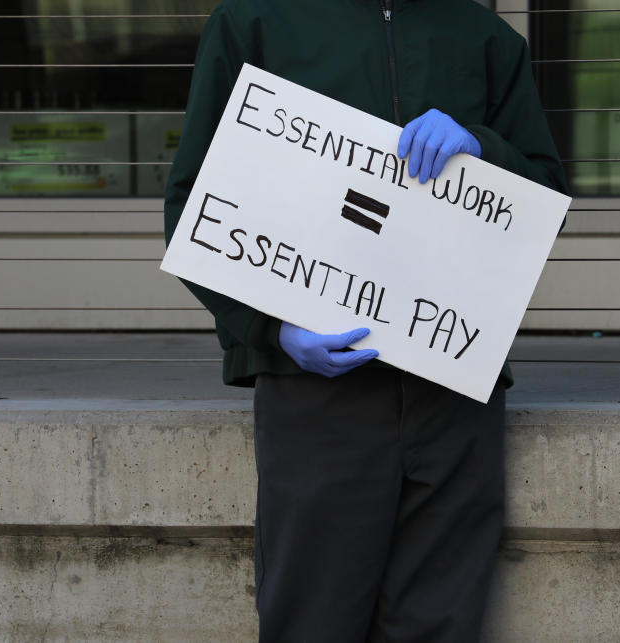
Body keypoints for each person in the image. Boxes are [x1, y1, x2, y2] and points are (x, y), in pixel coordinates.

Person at [164, 1, 568, 641]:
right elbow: (194, 202)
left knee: (442, 620)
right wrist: (271, 327)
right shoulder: (254, 21)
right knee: (313, 621)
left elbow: (544, 195)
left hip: (452, 397)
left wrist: (482, 150)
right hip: (315, 399)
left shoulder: (484, 36)